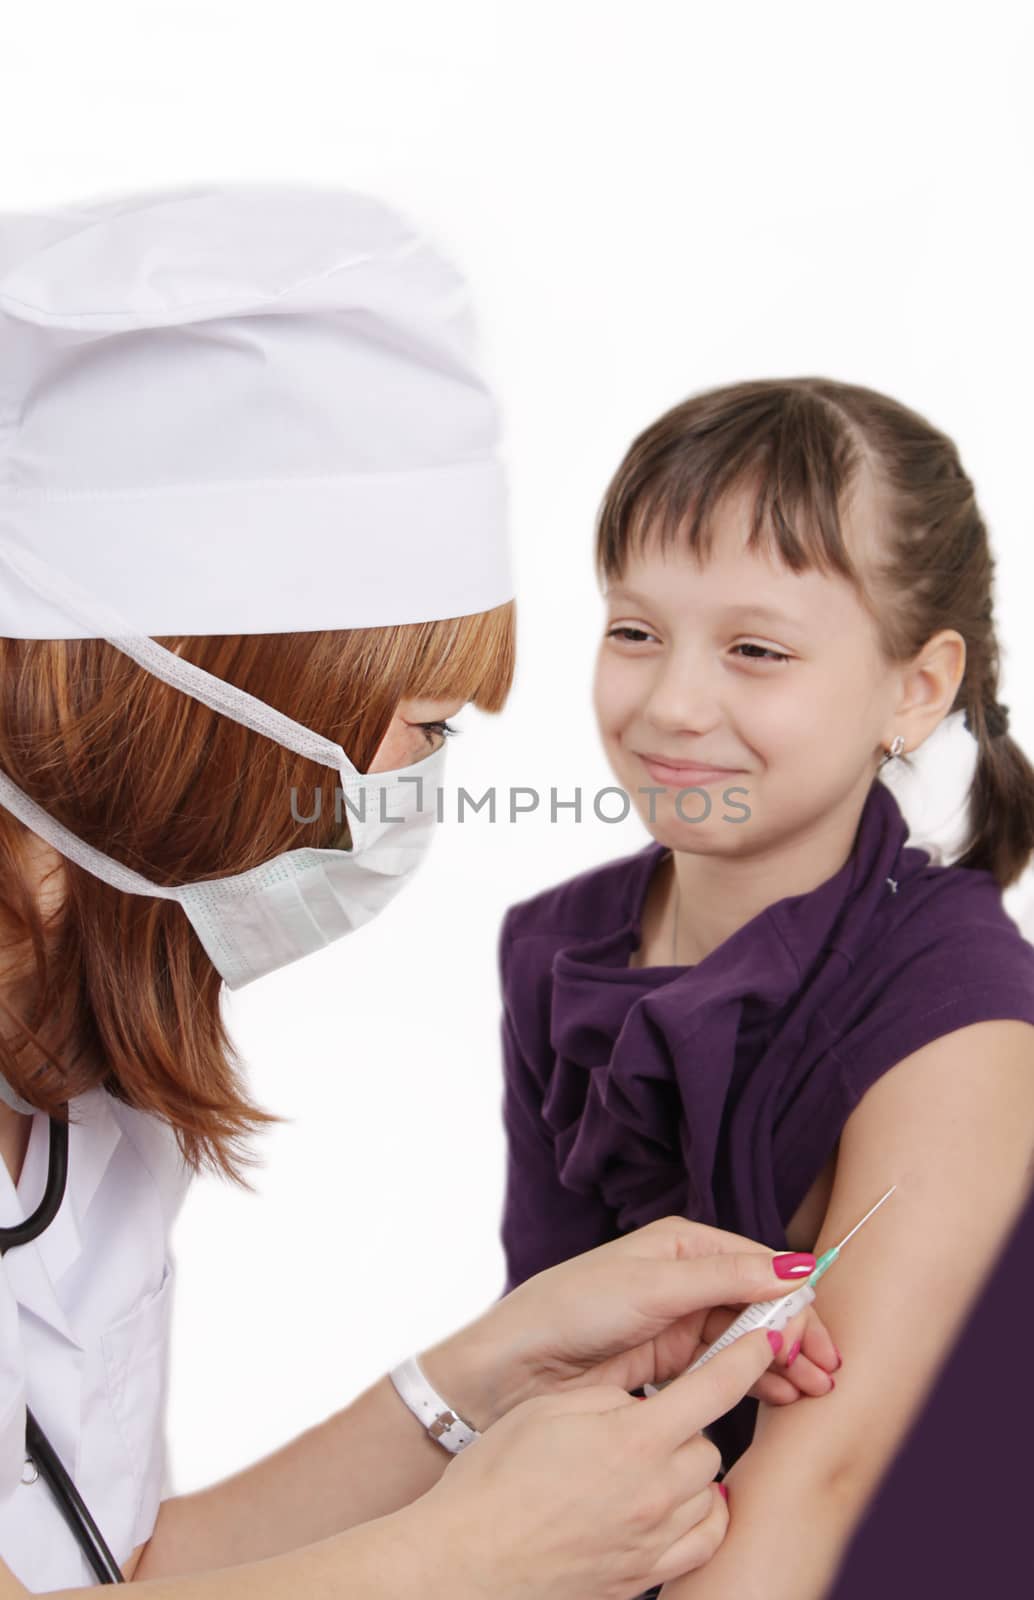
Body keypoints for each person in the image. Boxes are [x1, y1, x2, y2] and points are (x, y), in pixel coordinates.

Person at [0, 185, 835, 1598]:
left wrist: (477, 1380)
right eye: (424, 727)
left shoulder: (79, 1086)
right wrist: (466, 1561)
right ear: (207, 707)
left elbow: (109, 1569)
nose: (418, 788)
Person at [497, 377, 1034, 1598]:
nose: (671, 703)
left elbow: (814, 1485)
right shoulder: (554, 948)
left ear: (914, 687)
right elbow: (533, 1381)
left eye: (755, 650)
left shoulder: (958, 1009)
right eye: (634, 630)